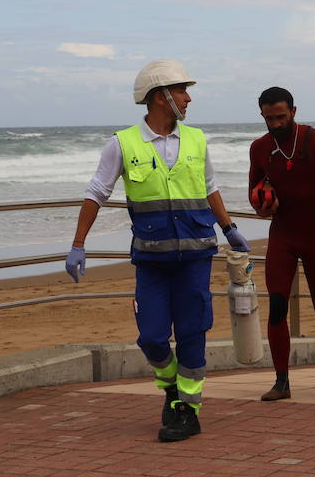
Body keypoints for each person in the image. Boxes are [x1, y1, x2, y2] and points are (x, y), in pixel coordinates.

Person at [64, 59, 250, 442]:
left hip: (196, 256)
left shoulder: (197, 140)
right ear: (160, 97)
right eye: (182, 91)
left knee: (192, 332)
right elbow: (96, 192)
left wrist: (229, 229)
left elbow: (209, 187)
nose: (189, 98)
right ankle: (170, 386)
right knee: (151, 337)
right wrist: (78, 243)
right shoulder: (122, 143)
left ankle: (188, 409)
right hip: (151, 260)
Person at [249, 87, 315, 401]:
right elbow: (254, 189)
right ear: (262, 116)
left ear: (294, 111)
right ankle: (282, 381)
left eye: (281, 116)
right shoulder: (260, 148)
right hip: (282, 236)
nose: (276, 123)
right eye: (269, 118)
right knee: (277, 305)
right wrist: (261, 205)